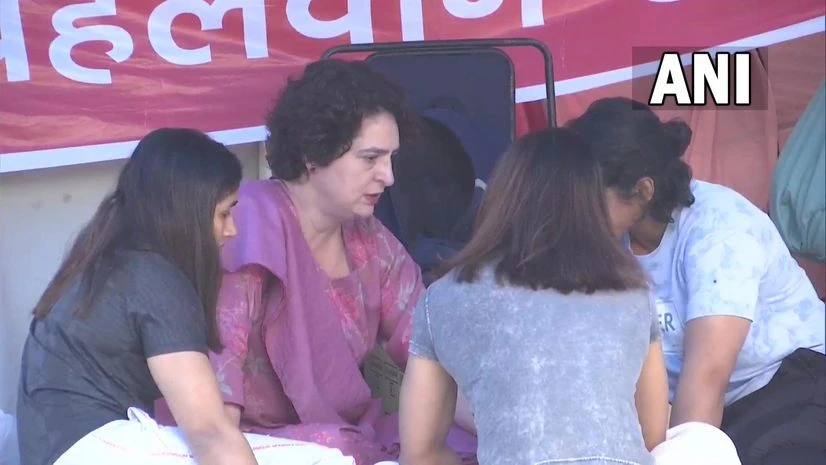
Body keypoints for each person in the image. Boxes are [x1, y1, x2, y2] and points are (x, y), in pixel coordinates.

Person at [154, 59, 477, 465]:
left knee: (461, 443)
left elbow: (434, 357)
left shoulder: (372, 242)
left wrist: (504, 424)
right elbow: (216, 414)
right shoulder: (248, 226)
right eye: (370, 158)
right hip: (244, 443)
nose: (389, 177)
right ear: (313, 154)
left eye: (391, 159)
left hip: (344, 436)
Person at [398, 127, 741, 465]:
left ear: (501, 199)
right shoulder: (632, 292)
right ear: (591, 205)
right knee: (701, 439)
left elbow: (419, 453)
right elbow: (650, 437)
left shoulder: (440, 301)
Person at [567, 97, 826, 465]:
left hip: (786, 382)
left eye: (586, 195)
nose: (573, 206)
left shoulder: (719, 229)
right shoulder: (605, 235)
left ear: (642, 191)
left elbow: (707, 378)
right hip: (684, 407)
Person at [16, 128, 257, 465]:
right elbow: (209, 431)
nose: (232, 230)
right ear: (188, 212)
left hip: (51, 452)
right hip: (98, 449)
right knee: (326, 458)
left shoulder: (100, 260)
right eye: (224, 213)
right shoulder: (156, 277)